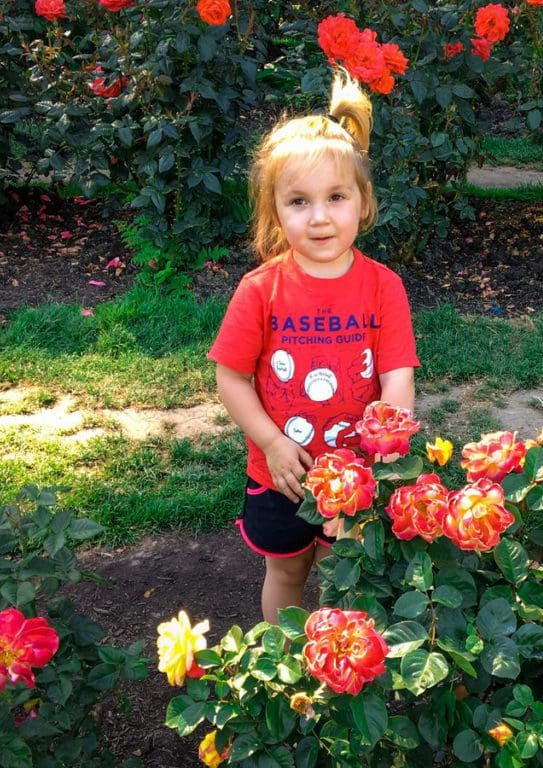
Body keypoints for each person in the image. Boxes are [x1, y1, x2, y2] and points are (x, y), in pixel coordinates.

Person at [208, 72, 419, 624]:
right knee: (286, 572)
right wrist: (272, 443)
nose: (319, 216)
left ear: (363, 202)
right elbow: (230, 377)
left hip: (356, 472)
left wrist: (385, 448)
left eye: (335, 197)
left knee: (341, 570)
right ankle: (283, 669)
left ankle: (336, 662)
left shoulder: (383, 287)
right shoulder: (260, 290)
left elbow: (397, 373)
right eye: (299, 201)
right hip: (280, 473)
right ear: (275, 209)